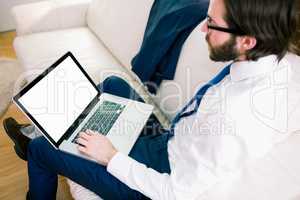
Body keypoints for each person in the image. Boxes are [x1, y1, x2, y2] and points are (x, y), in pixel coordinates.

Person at [3, 0, 300, 199]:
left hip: (153, 182)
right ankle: (60, 130)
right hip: (170, 140)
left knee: (41, 150)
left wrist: (111, 156)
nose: (203, 29)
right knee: (114, 84)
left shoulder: (238, 118)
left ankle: (39, 143)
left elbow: (172, 193)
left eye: (211, 23)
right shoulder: (276, 61)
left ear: (248, 41)